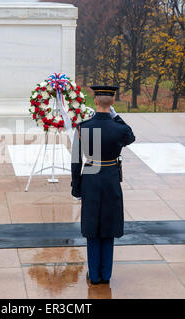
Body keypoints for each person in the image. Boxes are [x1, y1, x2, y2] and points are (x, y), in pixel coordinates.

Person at [71, 85, 136, 285]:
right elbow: (131, 137)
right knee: (108, 225)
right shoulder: (119, 128)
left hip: (90, 178)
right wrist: (116, 117)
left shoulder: (83, 128)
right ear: (112, 103)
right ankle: (106, 274)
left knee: (92, 226)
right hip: (110, 179)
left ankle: (95, 274)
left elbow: (75, 161)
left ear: (95, 101)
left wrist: (77, 188)